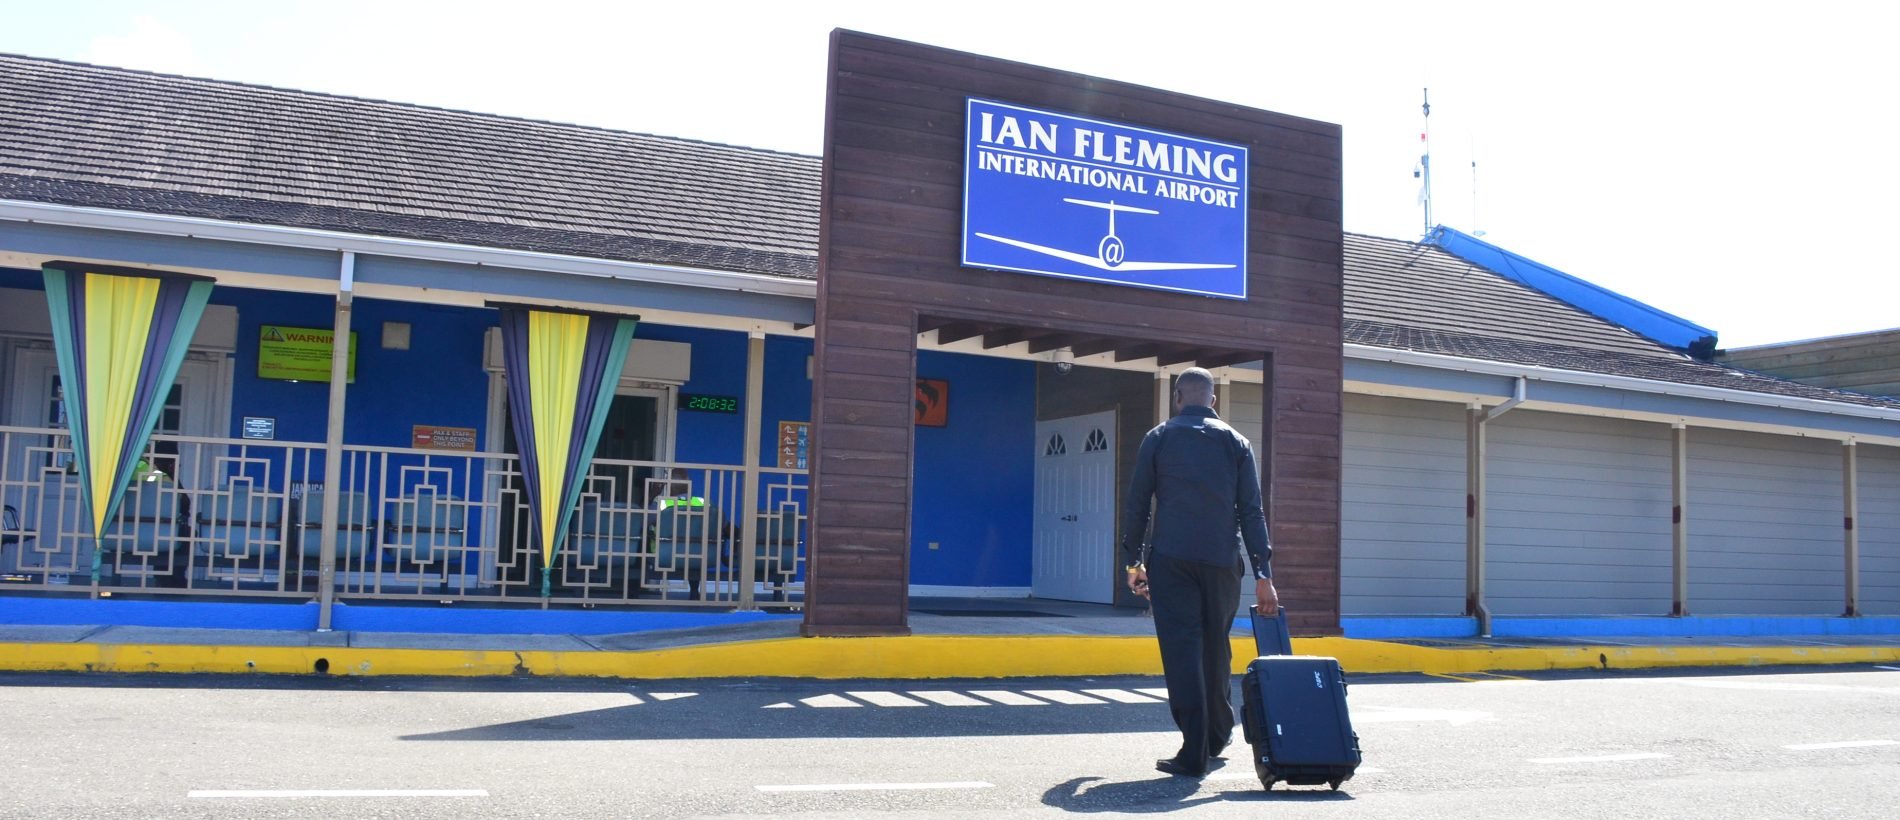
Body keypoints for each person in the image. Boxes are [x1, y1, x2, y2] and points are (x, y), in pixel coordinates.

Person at [1121, 367, 1277, 778]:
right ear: (1212, 401)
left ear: (1177, 399)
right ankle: (1218, 734)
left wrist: (1133, 562)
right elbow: (1252, 511)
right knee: (1215, 645)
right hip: (1223, 562)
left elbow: (1138, 504)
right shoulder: (1237, 443)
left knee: (1182, 650)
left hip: (1171, 560)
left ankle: (1194, 750)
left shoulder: (1158, 438)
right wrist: (1264, 572)